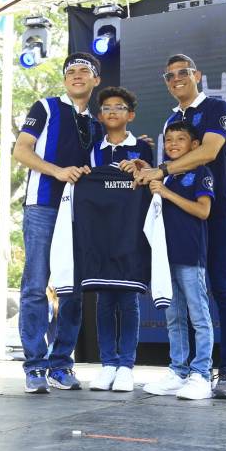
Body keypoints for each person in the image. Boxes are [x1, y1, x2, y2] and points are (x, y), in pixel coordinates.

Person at [134, 53, 226, 399]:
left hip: (217, 211)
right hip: (179, 220)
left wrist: (162, 170)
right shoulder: (171, 120)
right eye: (169, 76)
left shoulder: (216, 107)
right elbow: (169, 168)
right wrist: (146, 167)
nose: (176, 79)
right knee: (179, 300)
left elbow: (208, 152)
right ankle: (184, 371)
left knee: (223, 290)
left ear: (197, 75)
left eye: (183, 72)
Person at [12, 52, 102, 394]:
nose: (77, 75)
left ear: (95, 80)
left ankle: (61, 364)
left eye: (84, 71)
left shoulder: (95, 123)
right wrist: (58, 172)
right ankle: (35, 366)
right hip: (42, 206)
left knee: (73, 291)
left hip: (78, 213)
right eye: (71, 71)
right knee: (35, 287)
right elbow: (21, 150)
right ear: (65, 80)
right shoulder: (46, 107)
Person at [142, 122, 215, 400]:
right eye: (169, 139)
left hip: (189, 256)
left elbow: (203, 211)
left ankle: (202, 374)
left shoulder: (201, 172)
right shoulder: (166, 175)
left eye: (180, 139)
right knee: (174, 317)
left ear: (194, 145)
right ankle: (178, 372)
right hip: (165, 258)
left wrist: (166, 193)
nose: (173, 144)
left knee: (198, 316)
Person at [88, 86, 153, 392]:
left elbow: (151, 180)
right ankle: (108, 365)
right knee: (104, 300)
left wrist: (140, 168)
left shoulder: (143, 148)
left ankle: (126, 366)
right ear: (100, 116)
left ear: (131, 115)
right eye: (107, 108)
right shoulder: (92, 149)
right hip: (100, 233)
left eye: (119, 107)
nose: (112, 111)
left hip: (131, 232)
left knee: (128, 299)